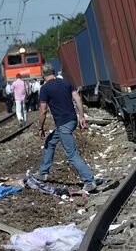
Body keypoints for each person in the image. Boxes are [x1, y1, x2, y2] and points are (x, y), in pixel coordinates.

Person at [37, 63, 97, 192]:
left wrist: (40, 127)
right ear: (53, 72)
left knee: (71, 154)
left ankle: (89, 181)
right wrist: (81, 116)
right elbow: (77, 98)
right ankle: (43, 172)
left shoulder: (45, 88)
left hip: (63, 124)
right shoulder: (66, 83)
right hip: (71, 120)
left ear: (43, 74)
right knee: (50, 142)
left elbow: (43, 111)